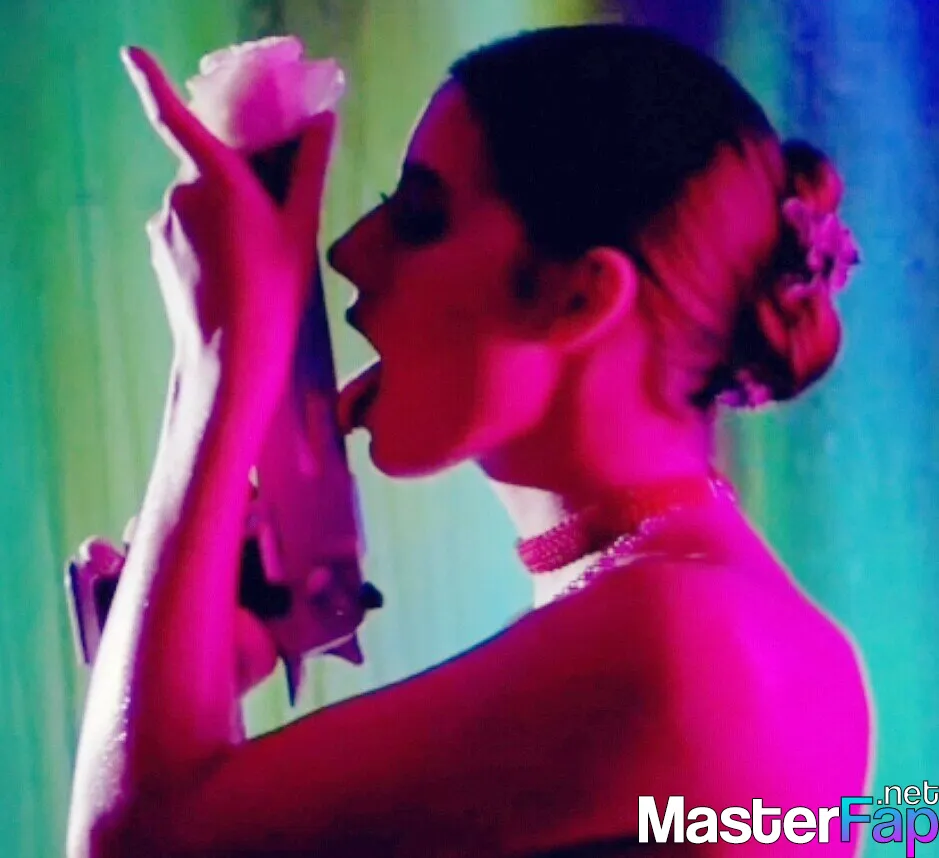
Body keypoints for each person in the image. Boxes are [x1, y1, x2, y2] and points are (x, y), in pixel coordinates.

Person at [67, 25, 871, 858]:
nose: (350, 252)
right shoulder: (738, 633)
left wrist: (218, 361)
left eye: (420, 218)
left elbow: (134, 846)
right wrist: (189, 678)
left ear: (580, 298)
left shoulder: (678, 645)